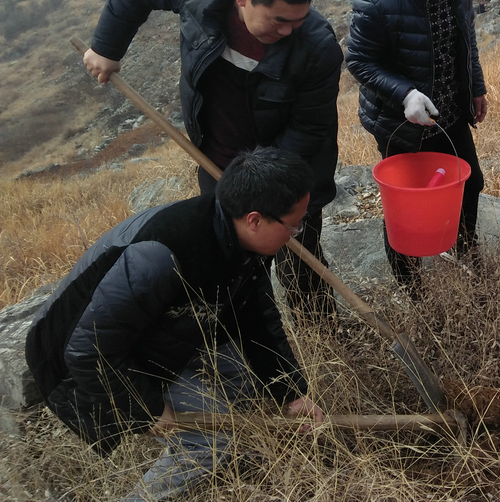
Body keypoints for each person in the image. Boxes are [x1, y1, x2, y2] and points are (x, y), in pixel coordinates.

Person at [25, 147, 325, 501]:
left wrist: (291, 392)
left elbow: (256, 317)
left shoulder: (243, 242)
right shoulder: (160, 256)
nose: (296, 233)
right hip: (94, 355)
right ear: (255, 219)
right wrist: (146, 408)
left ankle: (238, 454)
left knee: (244, 381)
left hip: (162, 328)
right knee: (210, 441)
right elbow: (88, 351)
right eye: (293, 224)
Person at [81, 0, 343, 328]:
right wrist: (106, 46)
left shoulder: (317, 47)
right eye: (277, 20)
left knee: (300, 258)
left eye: (297, 21)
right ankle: (242, 349)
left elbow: (307, 132)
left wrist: (259, 189)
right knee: (231, 269)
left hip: (290, 176)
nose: (288, 31)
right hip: (216, 162)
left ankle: (324, 334)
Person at [347, 0, 487, 294]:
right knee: (406, 209)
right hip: (400, 123)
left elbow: (466, 40)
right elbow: (358, 61)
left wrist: (476, 87)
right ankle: (411, 286)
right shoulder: (376, 2)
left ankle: (465, 251)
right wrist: (404, 93)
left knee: (470, 182)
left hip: (448, 113)